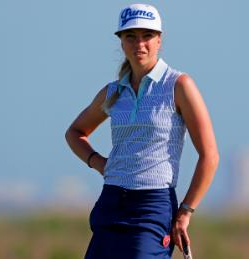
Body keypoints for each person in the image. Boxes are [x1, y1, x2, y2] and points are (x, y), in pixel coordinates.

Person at [65, 3, 219, 259]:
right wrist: (100, 163)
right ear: (121, 42)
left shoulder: (178, 85)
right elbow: (75, 132)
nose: (140, 44)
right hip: (111, 202)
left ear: (159, 40)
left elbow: (210, 155)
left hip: (152, 206)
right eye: (131, 37)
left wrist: (186, 211)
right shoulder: (113, 92)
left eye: (147, 36)